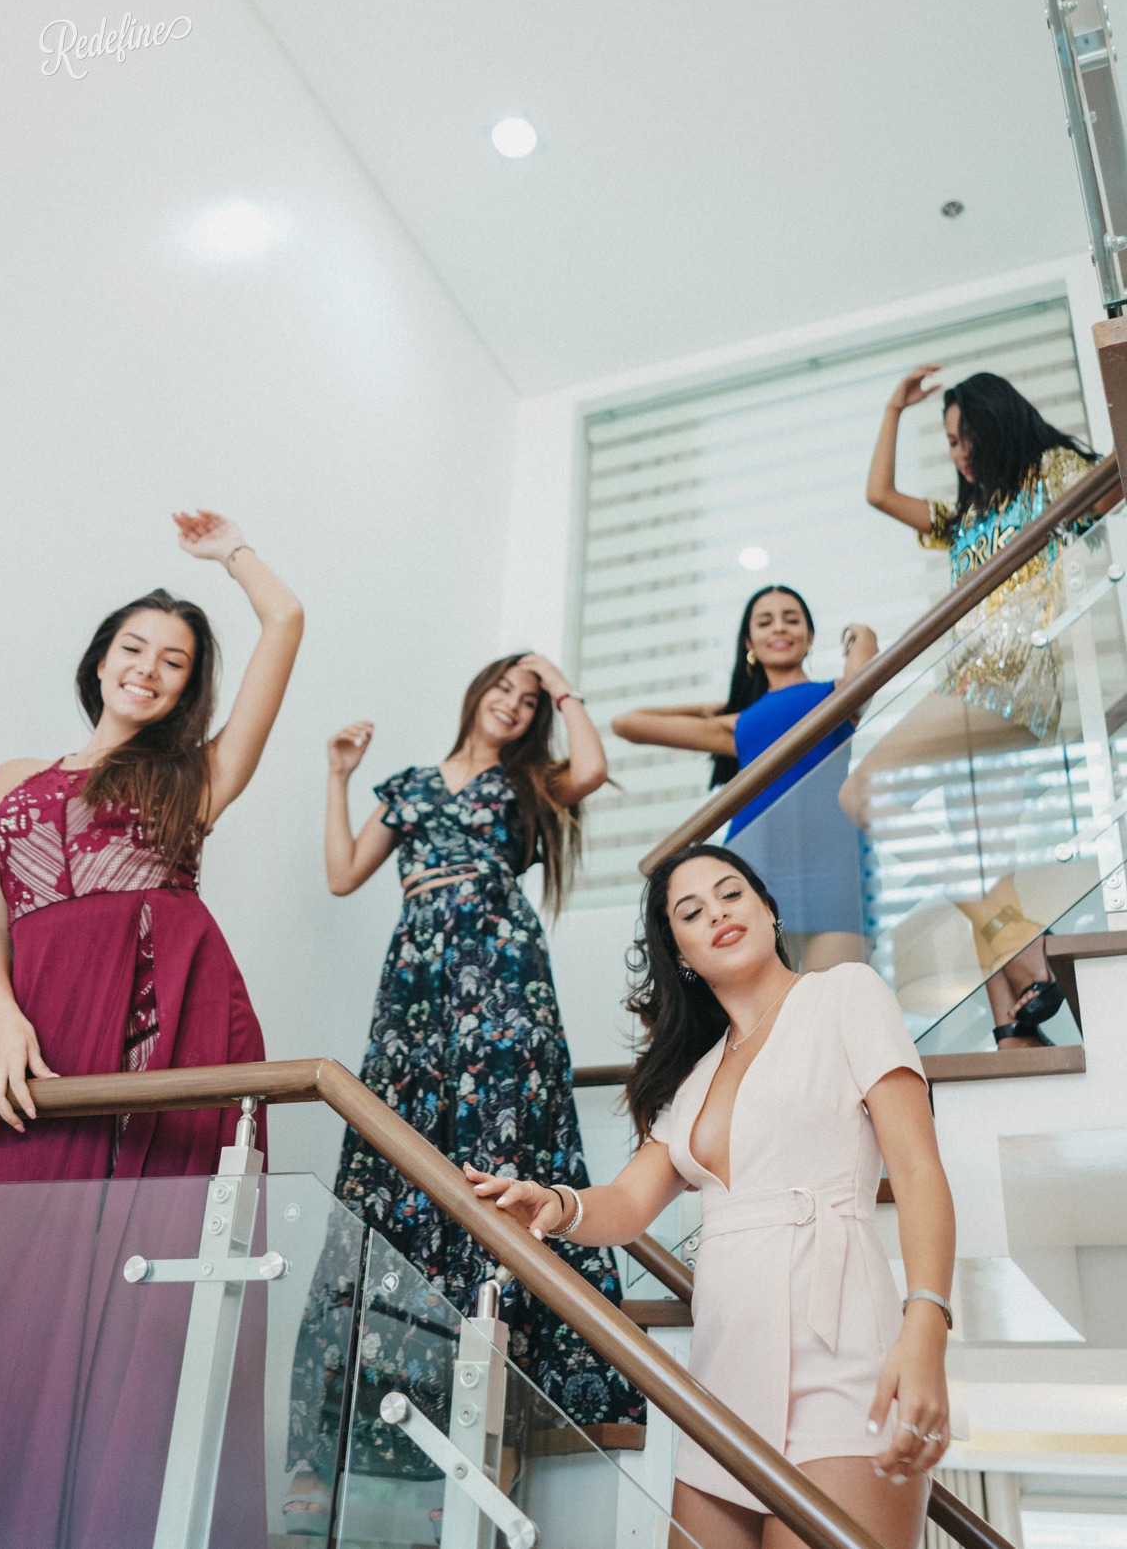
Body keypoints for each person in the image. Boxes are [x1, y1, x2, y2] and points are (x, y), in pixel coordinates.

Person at [0, 512, 303, 1549]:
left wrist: (231, 552)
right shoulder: (10, 778)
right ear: (99, 659)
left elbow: (286, 622)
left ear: (188, 690)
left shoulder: (199, 778)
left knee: (150, 1297)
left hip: (166, 1034)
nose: (148, 669)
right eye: (133, 648)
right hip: (40, 1050)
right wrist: (1, 1027)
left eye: (174, 661)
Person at [466, 843, 955, 1549]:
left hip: (844, 1352)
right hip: (726, 1372)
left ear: (768, 908)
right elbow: (629, 1203)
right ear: (682, 954)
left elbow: (917, 1172)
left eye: (731, 894)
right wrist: (557, 1203)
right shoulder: (693, 1079)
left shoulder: (845, 994)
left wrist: (926, 1325)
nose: (718, 913)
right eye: (691, 911)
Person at [284, 654, 642, 1528]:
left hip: (503, 973)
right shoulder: (407, 784)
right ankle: (360, 1422)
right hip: (415, 979)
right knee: (395, 1161)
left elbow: (590, 768)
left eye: (527, 701)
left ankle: (502, 1401)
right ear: (475, 696)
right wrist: (336, 776)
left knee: (499, 1154)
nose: (513, 707)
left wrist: (564, 689)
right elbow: (341, 871)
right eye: (503, 691)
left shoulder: (528, 786)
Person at [846, 366, 1102, 1044]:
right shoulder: (965, 517)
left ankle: (1021, 941)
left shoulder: (1049, 468)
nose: (959, 452)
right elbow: (878, 495)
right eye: (951, 442)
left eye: (966, 436)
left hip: (1008, 676)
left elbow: (1109, 490)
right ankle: (1018, 1023)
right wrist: (893, 409)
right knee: (985, 866)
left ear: (996, 422)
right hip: (976, 686)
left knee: (863, 792)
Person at [612, 587, 878, 971]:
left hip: (833, 865)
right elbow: (628, 724)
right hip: (757, 867)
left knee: (838, 999)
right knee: (773, 1013)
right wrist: (708, 708)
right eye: (765, 622)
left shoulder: (835, 696)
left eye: (792, 619)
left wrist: (865, 635)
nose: (779, 628)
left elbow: (865, 679)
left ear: (810, 637)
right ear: (750, 643)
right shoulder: (739, 723)